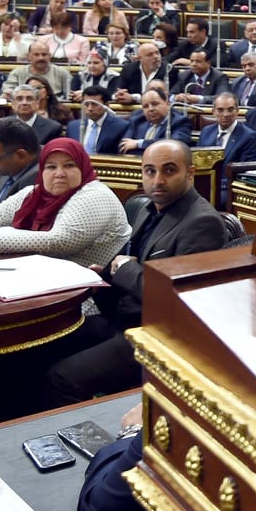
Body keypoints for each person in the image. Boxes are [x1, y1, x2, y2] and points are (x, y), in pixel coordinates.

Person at [48, 140, 229, 403]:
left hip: (157, 333)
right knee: (45, 344)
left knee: (61, 377)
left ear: (190, 173)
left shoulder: (203, 223)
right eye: (150, 171)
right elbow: (124, 260)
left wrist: (125, 269)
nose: (157, 180)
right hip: (121, 316)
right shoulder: (146, 208)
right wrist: (102, 275)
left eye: (169, 171)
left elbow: (175, 298)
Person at [0, 137, 130, 266]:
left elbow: (61, 241)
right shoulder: (37, 193)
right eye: (51, 167)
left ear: (83, 168)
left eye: (69, 165)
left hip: (84, 293)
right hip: (41, 274)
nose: (59, 174)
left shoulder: (94, 194)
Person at [118, 86, 192, 152]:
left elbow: (175, 144)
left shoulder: (180, 122)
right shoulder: (137, 121)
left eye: (155, 104)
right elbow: (124, 146)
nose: (150, 109)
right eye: (146, 106)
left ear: (167, 103)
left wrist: (139, 143)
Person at [69, 85, 131, 155]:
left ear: (107, 105)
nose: (90, 109)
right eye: (86, 104)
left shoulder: (121, 126)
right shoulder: (73, 126)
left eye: (94, 104)